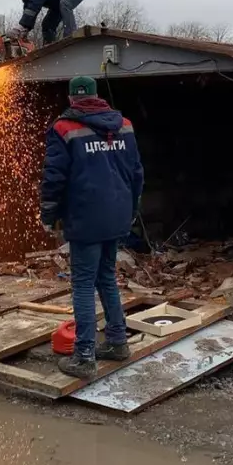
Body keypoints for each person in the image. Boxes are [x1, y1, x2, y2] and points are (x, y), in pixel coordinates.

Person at [40, 76, 144, 379]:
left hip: (85, 217)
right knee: (107, 277)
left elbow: (54, 177)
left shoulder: (64, 128)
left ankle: (84, 356)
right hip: (117, 214)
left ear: (72, 99)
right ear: (98, 96)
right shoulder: (125, 125)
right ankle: (117, 341)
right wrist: (132, 209)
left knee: (84, 283)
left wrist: (48, 214)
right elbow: (136, 172)